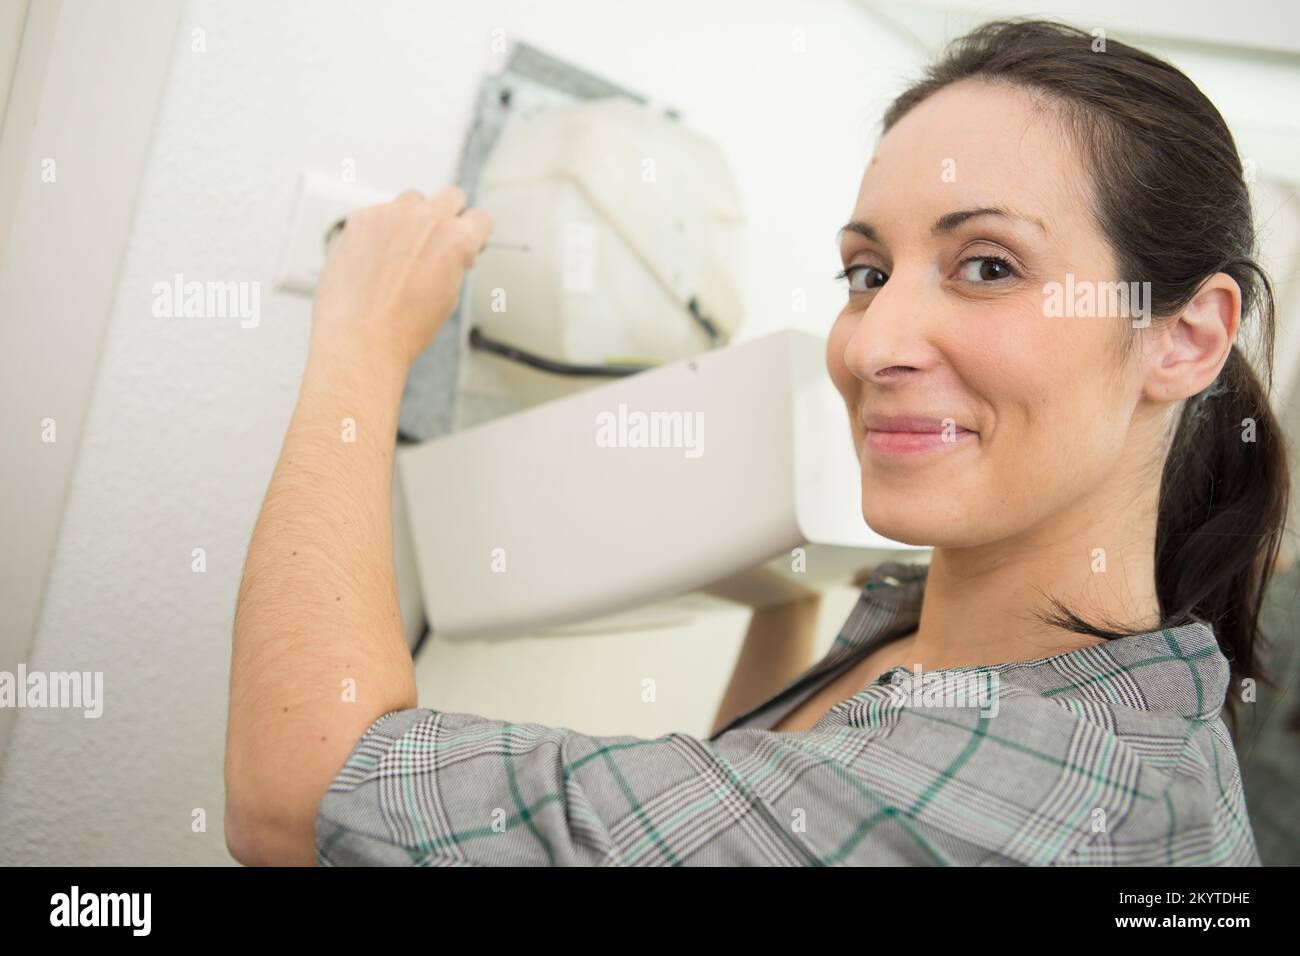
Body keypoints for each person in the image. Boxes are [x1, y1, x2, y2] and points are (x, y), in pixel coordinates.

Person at [224, 19, 1290, 866]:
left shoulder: (1029, 803)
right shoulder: (954, 629)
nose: (873, 342)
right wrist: (772, 571)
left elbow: (298, 795)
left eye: (988, 265)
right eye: (866, 273)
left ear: (1183, 337)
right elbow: (757, 792)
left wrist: (362, 340)